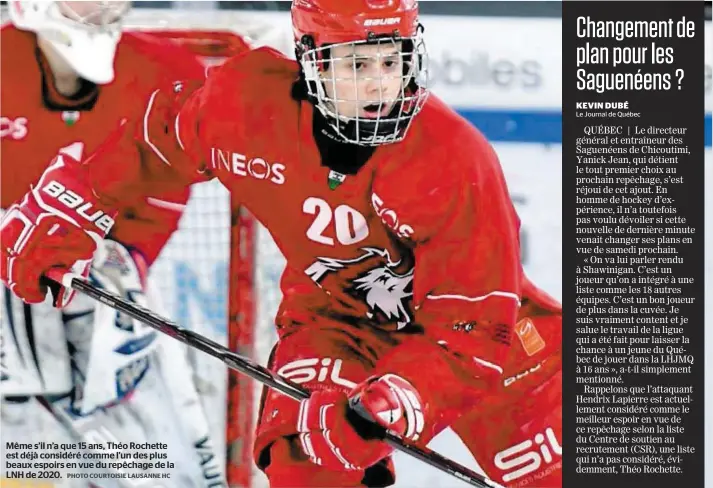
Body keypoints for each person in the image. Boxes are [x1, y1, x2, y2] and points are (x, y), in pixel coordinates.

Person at [0, 0, 562, 487]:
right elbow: (159, 139)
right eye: (357, 64)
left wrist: (396, 401)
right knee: (304, 461)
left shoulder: (455, 159)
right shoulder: (245, 105)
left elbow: (472, 329)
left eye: (391, 62)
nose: (378, 84)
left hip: (479, 343)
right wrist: (75, 204)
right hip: (336, 319)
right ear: (312, 61)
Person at [0, 1, 230, 485]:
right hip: (7, 285)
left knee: (140, 457)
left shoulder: (165, 72)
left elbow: (164, 189)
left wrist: (123, 263)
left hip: (102, 279)